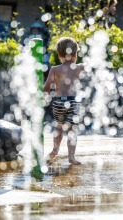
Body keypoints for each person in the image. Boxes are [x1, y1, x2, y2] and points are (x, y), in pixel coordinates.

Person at [44, 37, 85, 165]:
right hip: (73, 102)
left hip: (58, 102)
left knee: (58, 127)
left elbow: (47, 87)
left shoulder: (55, 69)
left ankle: (55, 150)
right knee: (72, 130)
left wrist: (43, 97)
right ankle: (71, 157)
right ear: (75, 54)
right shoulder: (79, 68)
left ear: (59, 55)